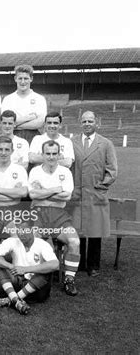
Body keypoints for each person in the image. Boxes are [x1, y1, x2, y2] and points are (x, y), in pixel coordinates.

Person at [28, 140, 81, 296]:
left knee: (74, 241)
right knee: (34, 240)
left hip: (59, 215)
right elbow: (33, 195)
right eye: (48, 153)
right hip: (38, 213)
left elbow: (67, 195)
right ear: (42, 154)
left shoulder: (65, 172)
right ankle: (32, 275)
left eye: (54, 154)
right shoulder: (35, 171)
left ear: (59, 155)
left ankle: (69, 280)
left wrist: (43, 191)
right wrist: (57, 189)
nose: (51, 157)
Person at [69, 111, 118, 277]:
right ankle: (80, 263)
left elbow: (112, 169)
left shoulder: (105, 143)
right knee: (79, 229)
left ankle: (93, 265)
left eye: (90, 121)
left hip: (96, 193)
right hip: (78, 193)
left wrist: (102, 185)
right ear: (80, 123)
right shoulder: (72, 142)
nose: (87, 123)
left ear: (96, 122)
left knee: (96, 231)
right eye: (84, 121)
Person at [0, 220, 59, 315]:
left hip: (37, 289)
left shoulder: (42, 244)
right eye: (19, 231)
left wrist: (25, 269)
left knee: (46, 271)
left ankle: (11, 299)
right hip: (18, 282)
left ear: (32, 230)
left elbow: (55, 265)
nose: (21, 234)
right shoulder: (13, 241)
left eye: (24, 230)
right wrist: (10, 266)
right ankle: (16, 300)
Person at [0, 136, 29, 242]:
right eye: (0, 149)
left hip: (13, 211)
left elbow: (23, 192)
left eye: (7, 149)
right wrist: (13, 197)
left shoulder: (20, 170)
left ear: (12, 151)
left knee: (18, 238)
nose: (3, 153)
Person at [1, 64, 47, 143]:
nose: (23, 82)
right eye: (20, 78)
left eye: (26, 78)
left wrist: (15, 125)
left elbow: (40, 122)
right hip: (12, 137)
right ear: (15, 79)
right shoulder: (8, 99)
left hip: (33, 136)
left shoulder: (39, 99)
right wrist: (29, 117)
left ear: (31, 79)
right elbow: (6, 122)